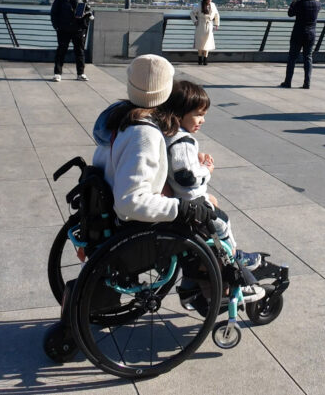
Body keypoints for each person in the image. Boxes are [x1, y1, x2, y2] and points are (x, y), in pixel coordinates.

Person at [91, 55, 263, 303]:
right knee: (206, 216)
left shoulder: (121, 118)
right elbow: (130, 201)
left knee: (203, 205)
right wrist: (182, 206)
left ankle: (207, 276)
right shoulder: (145, 134)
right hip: (133, 226)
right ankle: (221, 281)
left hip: (108, 216)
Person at [164, 80, 261, 269]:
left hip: (182, 198)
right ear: (179, 113)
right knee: (223, 223)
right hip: (190, 202)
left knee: (213, 201)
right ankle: (232, 258)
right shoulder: (182, 141)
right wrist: (205, 171)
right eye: (198, 115)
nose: (202, 120)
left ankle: (224, 252)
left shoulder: (170, 134)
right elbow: (186, 177)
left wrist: (196, 159)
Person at [50, 0, 92, 82]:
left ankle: (80, 73)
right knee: (61, 51)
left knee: (80, 52)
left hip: (78, 30)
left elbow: (88, 12)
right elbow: (54, 13)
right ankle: (57, 73)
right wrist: (57, 26)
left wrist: (85, 18)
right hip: (63, 29)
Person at [280, 0, 320, 89]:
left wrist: (294, 2)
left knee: (292, 58)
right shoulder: (317, 4)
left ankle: (288, 82)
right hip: (311, 34)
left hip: (298, 34)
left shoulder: (299, 3)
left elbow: (290, 14)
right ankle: (307, 83)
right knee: (308, 58)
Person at [190, 0, 220, 65]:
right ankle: (200, 58)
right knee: (200, 42)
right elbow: (192, 13)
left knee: (208, 42)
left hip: (209, 25)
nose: (210, 0)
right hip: (200, 25)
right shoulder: (199, 5)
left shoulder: (213, 5)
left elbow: (216, 15)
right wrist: (195, 21)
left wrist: (216, 24)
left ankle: (205, 59)